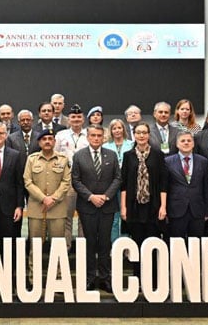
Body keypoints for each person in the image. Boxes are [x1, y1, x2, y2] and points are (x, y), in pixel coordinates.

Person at [72, 124, 121, 293]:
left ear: (103, 137)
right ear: (88, 137)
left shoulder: (112, 155)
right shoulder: (79, 156)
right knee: (90, 243)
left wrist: (106, 196)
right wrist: (91, 196)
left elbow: (117, 179)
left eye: (99, 135)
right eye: (93, 135)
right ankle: (90, 277)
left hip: (107, 206)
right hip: (87, 206)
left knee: (105, 244)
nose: (96, 138)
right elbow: (76, 181)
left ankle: (105, 279)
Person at [120, 122, 167, 281]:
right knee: (137, 243)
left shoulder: (158, 155)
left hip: (153, 206)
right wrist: (124, 208)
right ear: (134, 135)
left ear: (148, 135)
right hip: (134, 207)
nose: (141, 135)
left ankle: (153, 279)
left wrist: (163, 206)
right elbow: (124, 184)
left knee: (152, 243)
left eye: (144, 133)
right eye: (138, 132)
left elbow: (162, 183)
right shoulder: (128, 156)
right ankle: (138, 278)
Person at [23, 128, 70, 279]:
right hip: (37, 209)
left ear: (55, 142)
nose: (48, 141)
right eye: (44, 139)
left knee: (58, 246)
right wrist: (43, 198)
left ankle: (58, 278)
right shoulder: (32, 159)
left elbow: (66, 182)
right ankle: (33, 277)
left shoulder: (63, 160)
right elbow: (27, 181)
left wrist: (53, 198)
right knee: (35, 246)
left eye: (50, 139)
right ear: (39, 142)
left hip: (57, 209)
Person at [54, 104, 89, 249]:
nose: (76, 119)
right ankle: (65, 249)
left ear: (83, 119)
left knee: (84, 217)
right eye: (73, 117)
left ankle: (82, 250)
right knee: (66, 217)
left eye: (78, 117)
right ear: (68, 119)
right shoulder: (61, 135)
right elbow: (55, 156)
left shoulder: (90, 134)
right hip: (67, 180)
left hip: (86, 180)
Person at [165, 131, 208, 238]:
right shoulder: (167, 161)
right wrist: (165, 209)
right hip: (176, 209)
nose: (186, 143)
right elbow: (165, 187)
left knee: (196, 245)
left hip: (197, 210)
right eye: (183, 141)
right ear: (177, 144)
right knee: (177, 244)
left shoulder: (203, 161)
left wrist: (207, 211)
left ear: (193, 143)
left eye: (189, 140)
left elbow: (206, 187)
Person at [103, 118, 134, 242]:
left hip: (128, 185)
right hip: (111, 185)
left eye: (119, 128)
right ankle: (115, 244)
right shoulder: (105, 146)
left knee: (126, 216)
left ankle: (126, 245)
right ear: (111, 131)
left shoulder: (131, 144)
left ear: (124, 129)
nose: (117, 130)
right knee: (114, 217)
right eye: (114, 128)